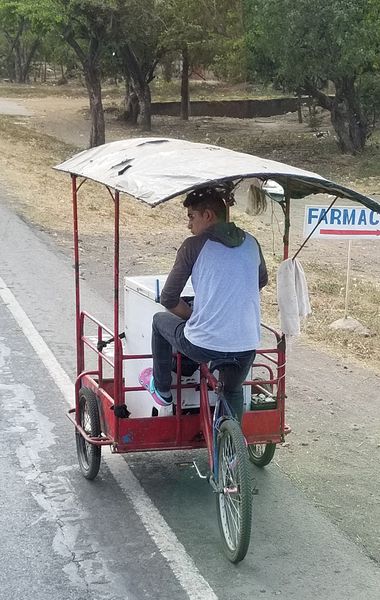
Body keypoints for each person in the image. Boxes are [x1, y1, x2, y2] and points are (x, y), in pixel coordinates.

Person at [139, 186, 268, 421]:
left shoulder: (193, 245)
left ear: (208, 215)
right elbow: (260, 281)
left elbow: (168, 298)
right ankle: (230, 449)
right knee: (232, 391)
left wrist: (193, 314)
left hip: (203, 345)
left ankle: (162, 389)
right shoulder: (252, 242)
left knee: (159, 321)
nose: (189, 225)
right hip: (247, 344)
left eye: (191, 217)